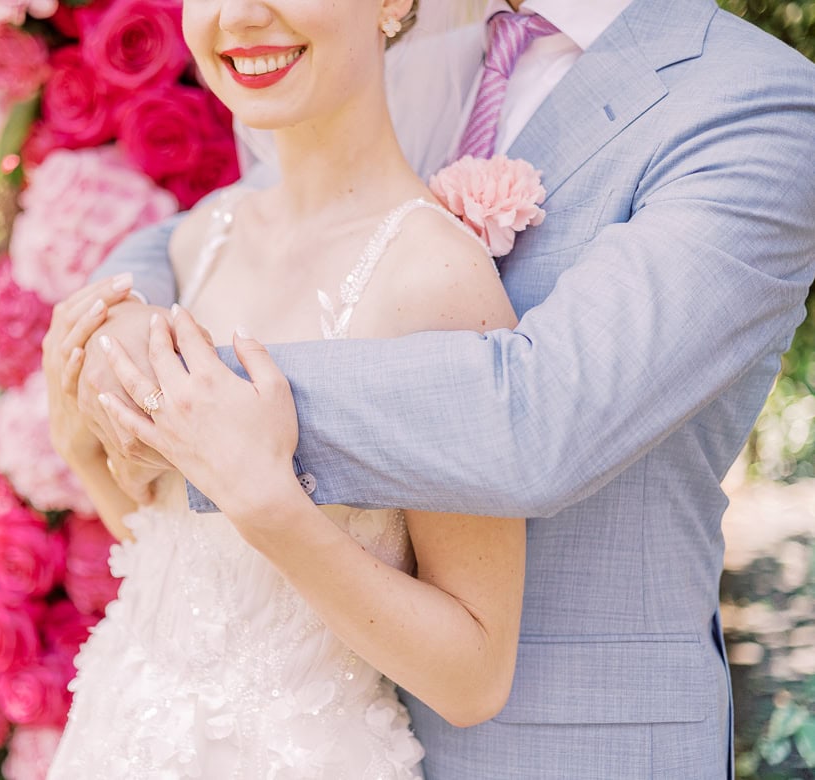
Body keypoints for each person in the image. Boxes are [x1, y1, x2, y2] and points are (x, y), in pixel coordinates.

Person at [74, 0, 815, 777]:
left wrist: (184, 394)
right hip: (268, 719)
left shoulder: (758, 105)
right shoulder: (415, 44)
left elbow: (542, 418)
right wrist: (114, 335)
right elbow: (251, 221)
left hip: (564, 743)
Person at [41, 0, 529, 776]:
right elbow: (181, 565)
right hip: (121, 735)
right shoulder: (204, 239)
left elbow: (474, 677)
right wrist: (80, 446)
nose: (238, 16)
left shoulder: (435, 281)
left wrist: (270, 506)